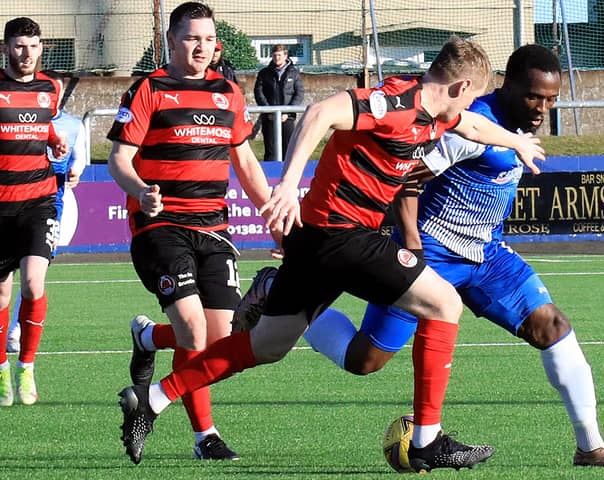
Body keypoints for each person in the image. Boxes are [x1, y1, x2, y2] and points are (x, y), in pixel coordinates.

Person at [116, 36, 546, 468]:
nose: (472, 107)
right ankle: (426, 440)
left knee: (265, 347)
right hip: (345, 234)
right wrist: (287, 183)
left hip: (315, 244)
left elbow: (472, 126)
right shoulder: (393, 102)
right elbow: (320, 113)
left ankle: (151, 400)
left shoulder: (437, 114)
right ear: (460, 86)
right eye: (472, 95)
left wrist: (516, 142)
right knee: (444, 304)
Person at [301, 44, 604, 469]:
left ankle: (591, 446)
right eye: (534, 96)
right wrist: (412, 245)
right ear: (508, 85)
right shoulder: (468, 123)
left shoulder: (515, 126)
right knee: (364, 360)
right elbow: (405, 179)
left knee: (552, 325)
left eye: (551, 99)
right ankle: (289, 301)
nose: (542, 108)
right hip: (434, 253)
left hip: (486, 255)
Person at [107, 2, 280, 463]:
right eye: (191, 38)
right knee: (193, 327)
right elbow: (118, 160)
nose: (201, 47)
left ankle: (147, 340)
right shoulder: (149, 89)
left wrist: (274, 216)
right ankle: (206, 436)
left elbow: (245, 164)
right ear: (171, 40)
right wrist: (142, 191)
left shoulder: (227, 92)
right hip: (160, 226)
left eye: (207, 38)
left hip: (215, 230)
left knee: (218, 340)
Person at [0, 17, 68, 407]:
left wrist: (56, 143)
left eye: (34, 45)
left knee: (33, 284)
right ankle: (1, 371)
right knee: (2, 294)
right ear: (7, 48)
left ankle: (26, 365)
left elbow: (46, 128)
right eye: (20, 46)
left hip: (38, 201)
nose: (27, 54)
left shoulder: (49, 88)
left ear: (42, 48)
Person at [5, 71, 87, 354]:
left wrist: (75, 170)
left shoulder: (74, 125)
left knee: (33, 276)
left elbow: (80, 159)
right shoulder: (14, 106)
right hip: (8, 200)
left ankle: (18, 336)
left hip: (48, 200)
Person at [254, 44, 304, 161]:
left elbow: (299, 93)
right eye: (275, 55)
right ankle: (269, 177)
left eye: (279, 55)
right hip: (269, 118)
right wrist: (269, 112)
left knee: (288, 151)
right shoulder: (264, 73)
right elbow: (259, 93)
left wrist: (288, 112)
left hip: (288, 118)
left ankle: (287, 177)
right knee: (270, 151)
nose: (277, 58)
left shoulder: (294, 73)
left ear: (285, 56)